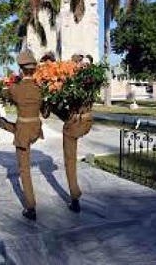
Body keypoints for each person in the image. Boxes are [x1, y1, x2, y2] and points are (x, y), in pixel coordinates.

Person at [0, 51, 44, 221]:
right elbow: (45, 112)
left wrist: (9, 85)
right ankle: (1, 123)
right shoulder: (40, 89)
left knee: (24, 169)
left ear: (21, 69)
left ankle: (31, 207)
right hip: (36, 129)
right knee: (17, 127)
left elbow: (2, 95)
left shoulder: (15, 89)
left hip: (23, 131)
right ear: (34, 69)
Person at [43, 53, 94, 213]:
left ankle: (75, 198)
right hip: (87, 121)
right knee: (64, 113)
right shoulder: (91, 77)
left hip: (74, 124)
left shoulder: (70, 79)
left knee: (70, 162)